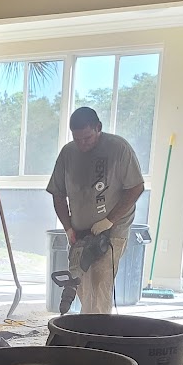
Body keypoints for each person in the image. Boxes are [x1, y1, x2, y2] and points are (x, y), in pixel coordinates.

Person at [46, 108, 145, 314]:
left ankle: (97, 331)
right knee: (80, 279)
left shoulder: (118, 149)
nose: (83, 143)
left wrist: (110, 220)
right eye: (77, 138)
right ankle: (87, 321)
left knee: (101, 280)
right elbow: (57, 194)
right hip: (79, 229)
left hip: (112, 229)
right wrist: (67, 228)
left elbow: (136, 188)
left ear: (98, 128)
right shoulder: (68, 153)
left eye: (87, 137)